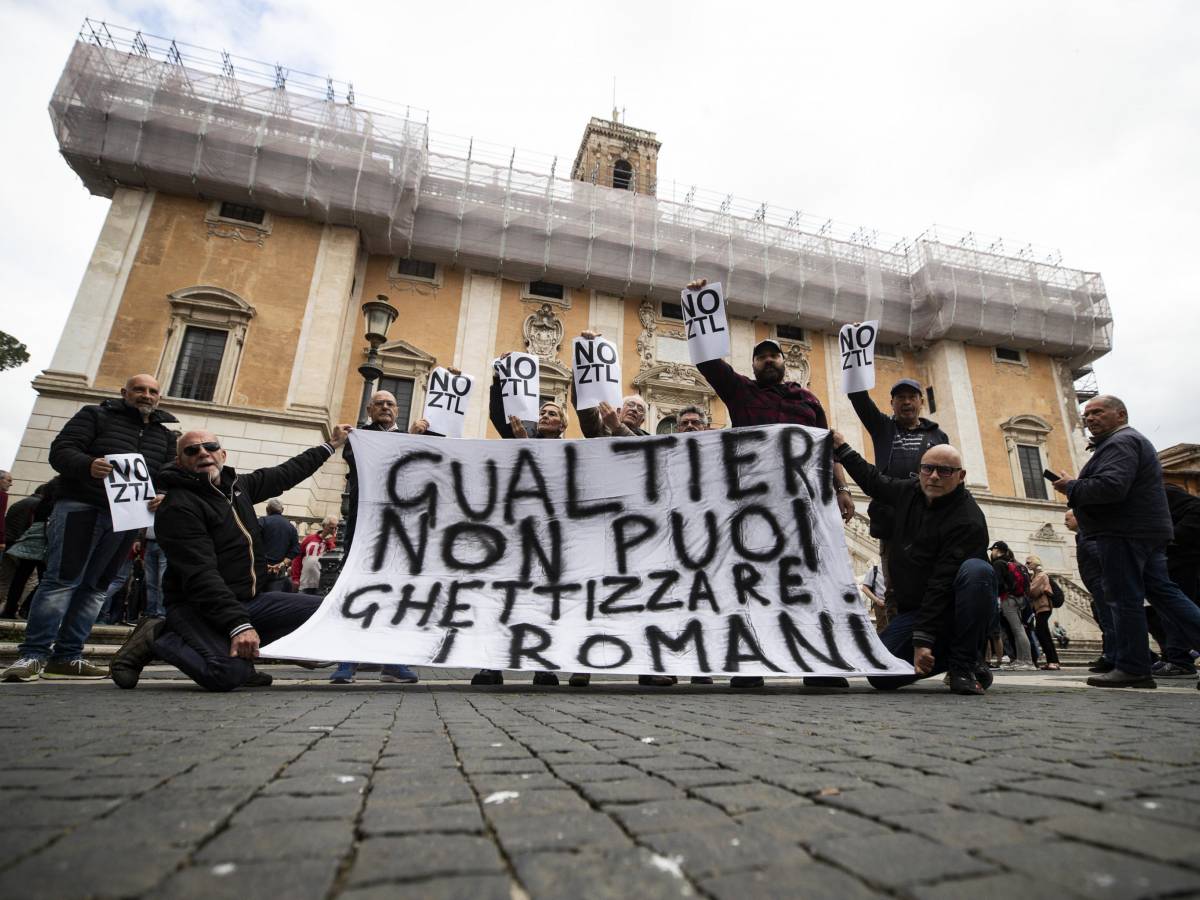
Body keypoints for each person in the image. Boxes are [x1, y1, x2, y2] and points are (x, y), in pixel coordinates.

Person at [686, 279, 854, 689]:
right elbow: (708, 362)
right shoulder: (740, 392)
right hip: (754, 506)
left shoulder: (808, 400)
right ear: (754, 365)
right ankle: (751, 664)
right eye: (760, 358)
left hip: (804, 505)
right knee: (753, 583)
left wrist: (844, 488)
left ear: (783, 362)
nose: (767, 362)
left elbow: (826, 445)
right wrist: (698, 305)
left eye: (772, 356)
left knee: (811, 581)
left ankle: (821, 665)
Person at [108, 425, 352, 691]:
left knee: (325, 610)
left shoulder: (240, 488)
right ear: (180, 461)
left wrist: (330, 444)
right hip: (197, 608)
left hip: (249, 601)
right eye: (192, 450)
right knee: (225, 674)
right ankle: (159, 635)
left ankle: (242, 659)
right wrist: (239, 625)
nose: (203, 453)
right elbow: (202, 575)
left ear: (222, 454)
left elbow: (286, 474)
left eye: (210, 447)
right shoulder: (178, 507)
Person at [2, 375, 177, 683]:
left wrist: (162, 493)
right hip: (82, 508)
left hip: (126, 518)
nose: (146, 395)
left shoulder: (164, 435)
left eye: (152, 391)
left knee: (96, 587)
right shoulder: (94, 415)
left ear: (159, 397)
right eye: (139, 390)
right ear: (124, 393)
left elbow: (166, 474)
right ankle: (33, 654)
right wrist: (87, 465)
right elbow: (61, 452)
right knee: (61, 581)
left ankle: (68, 657)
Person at [1051, 394, 1200, 690]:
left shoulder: (1120, 442)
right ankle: (1134, 666)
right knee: (1165, 596)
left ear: (1120, 415)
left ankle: (1133, 667)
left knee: (1125, 599)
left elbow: (1112, 487)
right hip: (1140, 532)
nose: (1090, 418)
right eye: (1087, 415)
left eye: (1098, 412)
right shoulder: (1125, 442)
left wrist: (1072, 486)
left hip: (1124, 533)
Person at [831, 433, 996, 695]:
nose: (933, 476)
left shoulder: (968, 520)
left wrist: (922, 641)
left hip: (953, 608)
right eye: (927, 468)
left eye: (944, 471)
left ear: (961, 476)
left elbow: (941, 584)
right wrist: (843, 449)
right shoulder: (911, 491)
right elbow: (875, 482)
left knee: (977, 571)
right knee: (880, 675)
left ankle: (964, 664)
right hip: (917, 610)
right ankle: (953, 655)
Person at [471, 369, 571, 687]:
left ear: (562, 425)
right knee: (504, 598)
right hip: (512, 536)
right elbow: (498, 415)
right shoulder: (519, 436)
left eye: (552, 413)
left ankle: (543, 666)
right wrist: (499, 381)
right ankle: (492, 665)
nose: (544, 414)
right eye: (542, 411)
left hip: (547, 540)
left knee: (543, 602)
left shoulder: (570, 453)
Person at [330, 389, 419, 685]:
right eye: (379, 403)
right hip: (363, 527)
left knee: (397, 593)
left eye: (391, 403)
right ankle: (346, 661)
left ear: (398, 409)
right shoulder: (359, 438)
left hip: (398, 529)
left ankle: (393, 663)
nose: (385, 407)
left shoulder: (408, 439)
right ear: (369, 409)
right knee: (354, 588)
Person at [848, 380, 948, 632]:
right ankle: (898, 646)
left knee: (933, 584)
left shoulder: (938, 435)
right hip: (893, 524)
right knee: (893, 587)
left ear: (920, 402)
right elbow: (859, 399)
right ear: (891, 404)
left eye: (912, 397)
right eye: (900, 397)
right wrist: (854, 370)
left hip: (928, 522)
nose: (906, 402)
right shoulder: (883, 427)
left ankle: (930, 640)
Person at [1154, 484, 1200, 678]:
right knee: (1169, 612)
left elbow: (1197, 510)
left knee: (1177, 609)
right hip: (1172, 562)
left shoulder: (1162, 492)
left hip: (1185, 560)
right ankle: (1175, 656)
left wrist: (1170, 538)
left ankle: (1180, 659)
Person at [1066, 508, 1114, 673]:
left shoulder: (1087, 535)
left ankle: (1112, 657)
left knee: (1109, 621)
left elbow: (1099, 557)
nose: (1065, 522)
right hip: (1098, 584)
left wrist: (1101, 580)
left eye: (1068, 518)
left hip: (1100, 584)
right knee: (1107, 622)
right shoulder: (1083, 535)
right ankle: (1111, 656)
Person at [1, 483, 48, 618]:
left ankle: (8, 610)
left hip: (12, 545)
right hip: (27, 546)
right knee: (32, 581)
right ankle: (22, 609)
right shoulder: (39, 505)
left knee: (9, 579)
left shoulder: (20, 503)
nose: (10, 483)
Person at [988, 541, 1036, 670]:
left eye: (992, 550)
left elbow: (997, 583)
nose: (991, 553)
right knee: (1018, 629)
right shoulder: (1013, 563)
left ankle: (1027, 661)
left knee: (1018, 630)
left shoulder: (998, 563)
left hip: (1008, 599)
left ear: (997, 550)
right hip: (1019, 598)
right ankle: (1021, 660)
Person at [1025, 555, 1061, 670]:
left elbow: (1031, 591)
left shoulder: (1041, 575)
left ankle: (1053, 661)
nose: (1027, 565)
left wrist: (1031, 590)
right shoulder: (1035, 576)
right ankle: (1052, 661)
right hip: (1039, 608)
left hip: (1044, 607)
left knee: (1041, 632)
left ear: (1035, 563)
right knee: (1043, 633)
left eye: (1029, 562)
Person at [259, 498, 300, 594]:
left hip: (259, 569)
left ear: (267, 509)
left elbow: (251, 543)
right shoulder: (291, 527)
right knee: (272, 600)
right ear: (282, 510)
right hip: (278, 572)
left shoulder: (262, 521)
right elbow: (296, 549)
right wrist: (282, 563)